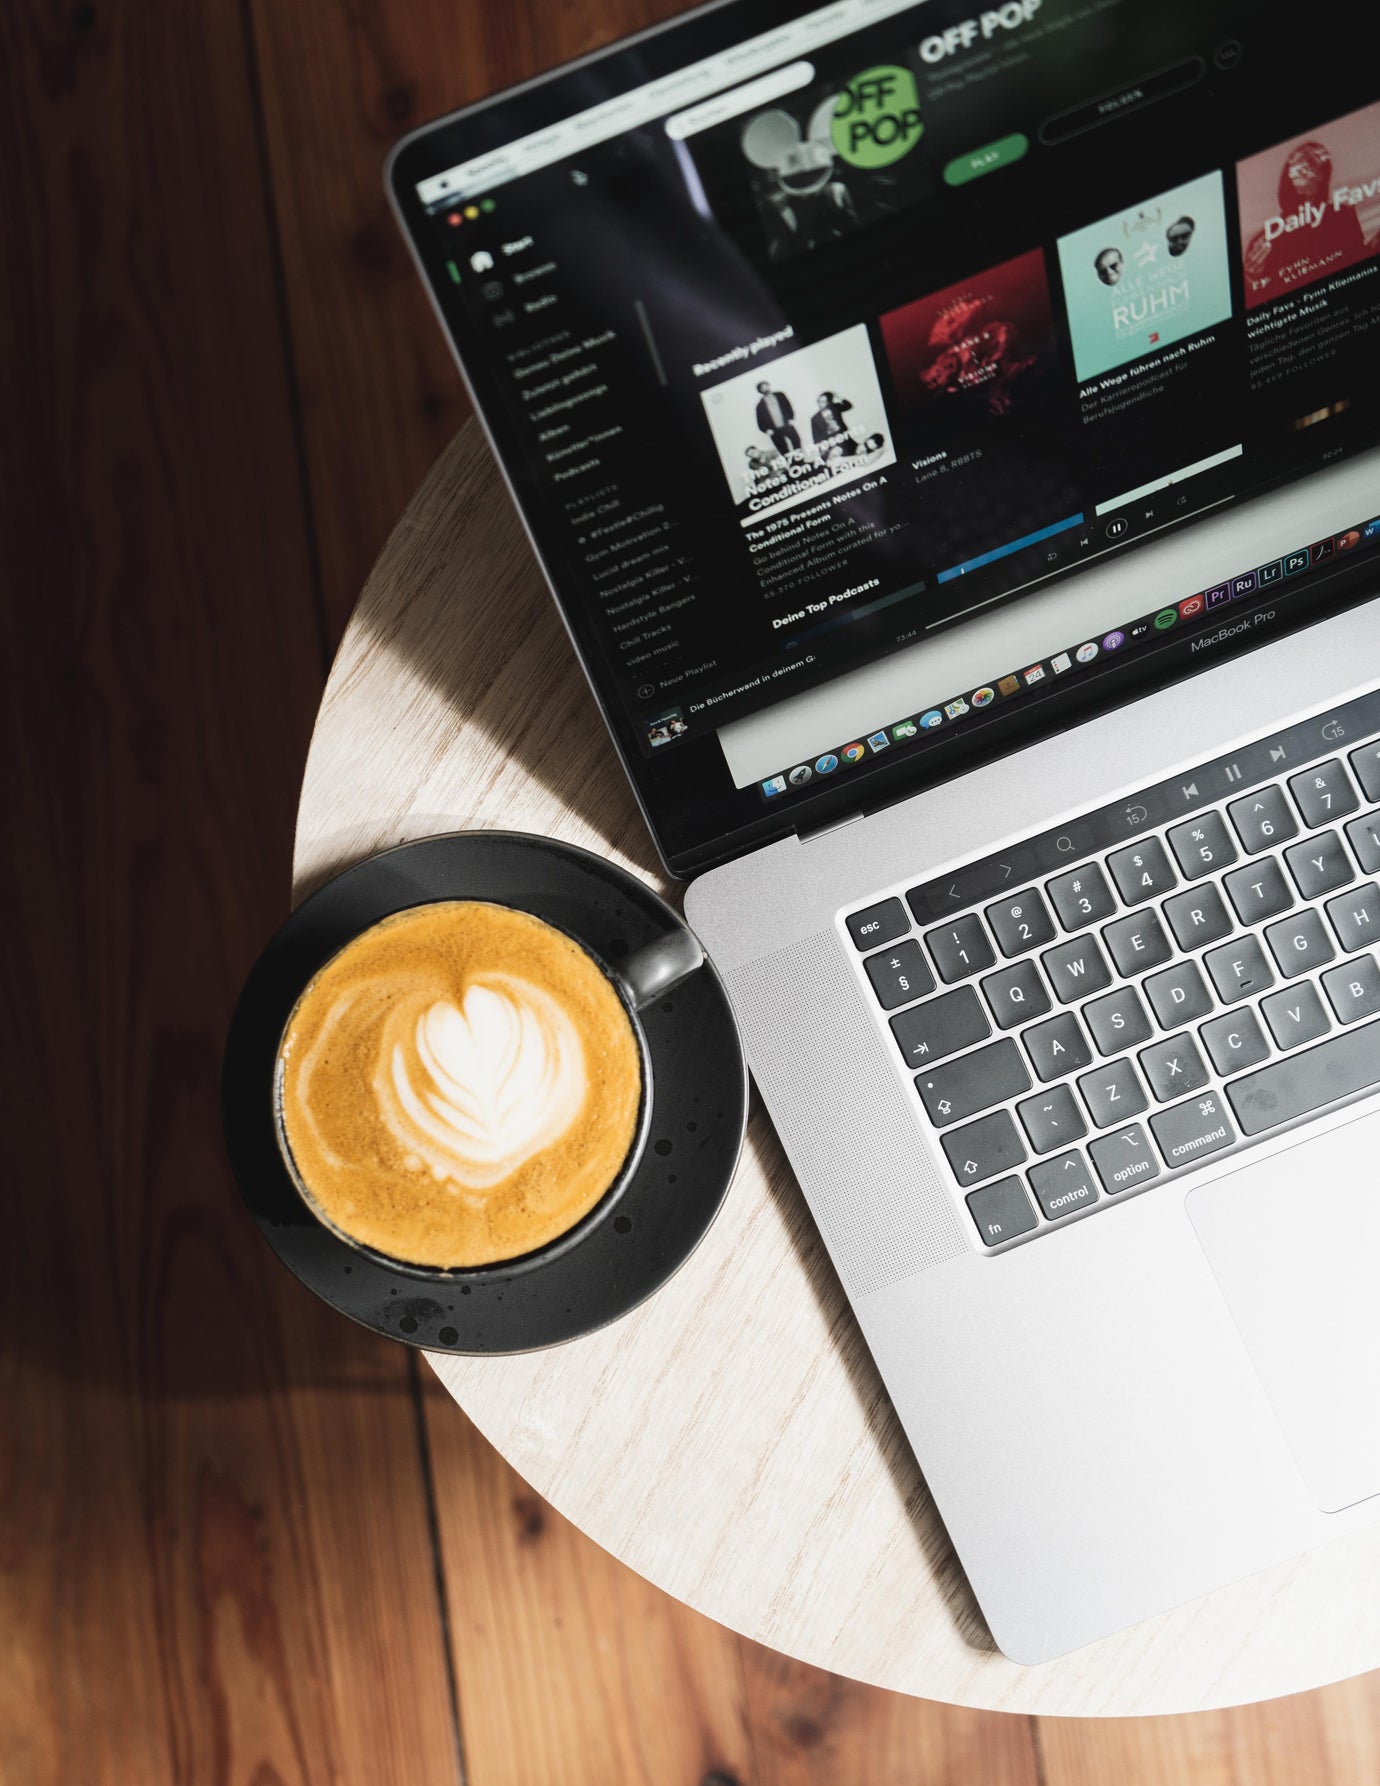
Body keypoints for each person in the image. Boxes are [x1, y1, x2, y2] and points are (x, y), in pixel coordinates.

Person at [810, 390, 858, 459]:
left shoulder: (835, 407)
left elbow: (849, 406)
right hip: (832, 443)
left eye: (823, 402)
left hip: (845, 438)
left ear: (828, 402)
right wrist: (821, 448)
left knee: (855, 454)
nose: (820, 404)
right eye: (819, 401)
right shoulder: (814, 418)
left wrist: (838, 397)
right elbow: (815, 436)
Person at [754, 380, 799, 453]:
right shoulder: (760, 406)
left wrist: (790, 418)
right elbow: (760, 423)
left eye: (766, 386)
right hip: (774, 431)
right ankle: (792, 463)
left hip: (786, 425)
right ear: (760, 391)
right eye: (762, 388)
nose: (765, 389)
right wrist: (767, 430)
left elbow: (788, 407)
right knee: (784, 450)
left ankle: (799, 460)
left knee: (796, 441)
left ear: (769, 386)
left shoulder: (780, 395)